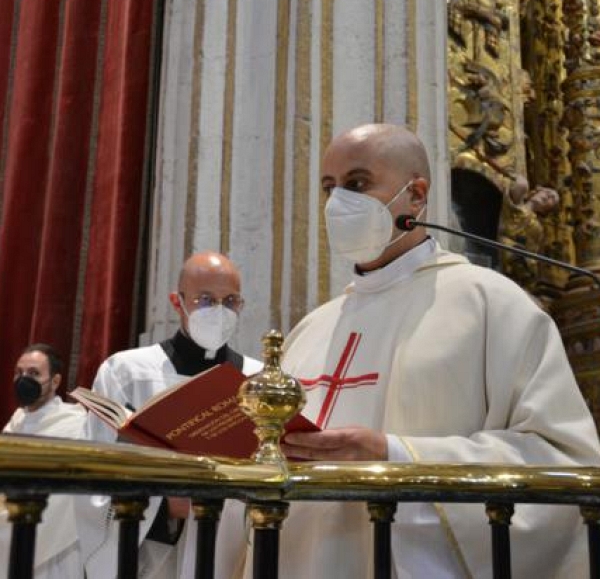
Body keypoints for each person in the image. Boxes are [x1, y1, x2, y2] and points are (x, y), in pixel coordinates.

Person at [217, 124, 600, 578]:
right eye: (329, 188)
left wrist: (394, 456)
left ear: (416, 196)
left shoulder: (491, 304)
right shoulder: (312, 328)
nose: (338, 203)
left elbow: (566, 462)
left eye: (357, 184)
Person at [77, 251, 262, 579]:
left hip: (229, 548)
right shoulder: (128, 371)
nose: (219, 311)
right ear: (178, 302)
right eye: (205, 300)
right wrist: (163, 508)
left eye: (230, 301)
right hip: (152, 556)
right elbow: (95, 474)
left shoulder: (257, 380)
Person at [0, 343, 87, 579]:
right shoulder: (16, 421)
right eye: (19, 373)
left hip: (57, 544)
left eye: (34, 374)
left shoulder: (75, 423)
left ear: (55, 382)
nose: (23, 379)